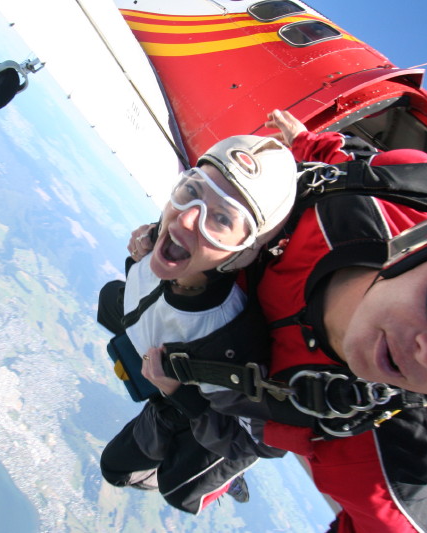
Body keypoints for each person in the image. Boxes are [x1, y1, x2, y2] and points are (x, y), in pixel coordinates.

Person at [141, 110, 427, 532]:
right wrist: (307, 142)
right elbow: (344, 163)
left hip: (240, 415)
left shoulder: (393, 451)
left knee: (180, 486)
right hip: (216, 345)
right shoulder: (376, 198)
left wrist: (185, 398)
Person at [97, 135, 297, 514]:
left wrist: (180, 394)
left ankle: (228, 478)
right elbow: (144, 305)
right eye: (190, 190)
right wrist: (144, 260)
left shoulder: (225, 343)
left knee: (180, 490)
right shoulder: (162, 247)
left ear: (244, 252)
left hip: (209, 407)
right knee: (116, 469)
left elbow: (257, 441)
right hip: (176, 382)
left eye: (220, 218)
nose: (187, 217)